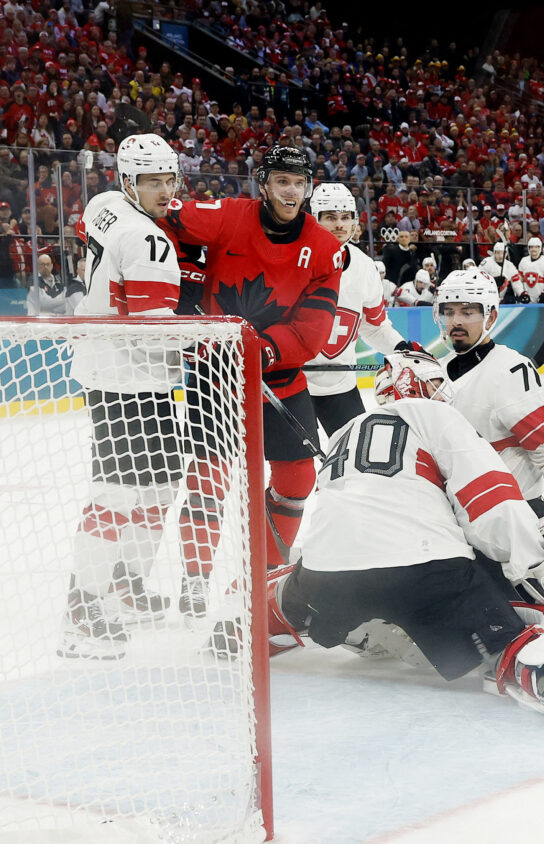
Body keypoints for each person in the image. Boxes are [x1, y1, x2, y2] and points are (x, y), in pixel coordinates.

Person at [272, 348, 544, 718]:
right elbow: (492, 504)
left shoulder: (344, 432)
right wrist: (538, 565)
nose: (444, 390)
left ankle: (253, 627)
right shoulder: (437, 416)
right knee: (503, 637)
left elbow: (339, 521)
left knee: (300, 594)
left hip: (325, 574)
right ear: (415, 384)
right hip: (421, 571)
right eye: (436, 381)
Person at [160, 144, 343, 611]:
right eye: (282, 181)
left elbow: (315, 330)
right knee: (209, 478)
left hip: (278, 377)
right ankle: (196, 581)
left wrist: (264, 349)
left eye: (299, 183)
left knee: (299, 476)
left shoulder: (324, 249)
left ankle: (263, 572)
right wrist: (187, 277)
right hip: (214, 372)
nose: (292, 190)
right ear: (264, 184)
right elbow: (160, 214)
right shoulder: (226, 216)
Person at [60, 133, 183, 658]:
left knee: (160, 484)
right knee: (116, 492)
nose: (162, 190)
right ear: (128, 181)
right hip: (127, 377)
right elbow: (154, 325)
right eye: (151, 181)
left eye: (167, 179)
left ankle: (125, 584)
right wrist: (215, 339)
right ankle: (81, 612)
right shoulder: (148, 241)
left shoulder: (103, 204)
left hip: (115, 368)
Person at [432, 268, 544, 588]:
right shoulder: (438, 373)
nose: (456, 321)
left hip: (516, 521)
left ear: (490, 317)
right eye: (449, 311)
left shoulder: (511, 373)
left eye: (468, 311)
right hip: (458, 524)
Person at [303, 182, 404, 439]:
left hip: (341, 386)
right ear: (314, 218)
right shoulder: (293, 259)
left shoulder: (365, 267)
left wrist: (404, 349)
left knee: (355, 467)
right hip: (293, 385)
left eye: (345, 217)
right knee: (294, 474)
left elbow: (375, 325)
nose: (339, 224)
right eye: (330, 217)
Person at [516, 236, 544, 302]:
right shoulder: (523, 261)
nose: (533, 249)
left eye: (536, 247)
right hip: (527, 300)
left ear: (540, 248)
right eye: (531, 247)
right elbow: (518, 280)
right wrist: (521, 292)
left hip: (541, 299)